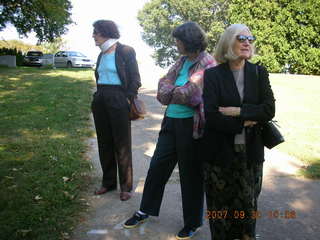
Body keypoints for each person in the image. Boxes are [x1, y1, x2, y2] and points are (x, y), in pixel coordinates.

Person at [123, 21, 216, 239]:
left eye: (178, 40)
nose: (175, 43)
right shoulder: (182, 61)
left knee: (190, 175)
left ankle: (193, 222)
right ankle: (145, 210)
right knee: (157, 167)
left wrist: (171, 90)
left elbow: (191, 94)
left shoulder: (207, 62)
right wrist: (174, 90)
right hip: (170, 122)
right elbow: (161, 88)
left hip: (191, 127)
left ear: (189, 40)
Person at [202, 24, 275, 240]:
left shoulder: (259, 72)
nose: (247, 42)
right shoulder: (213, 75)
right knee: (219, 209)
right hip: (218, 153)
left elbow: (269, 110)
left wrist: (238, 111)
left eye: (250, 38)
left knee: (247, 207)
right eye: (241, 37)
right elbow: (212, 115)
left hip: (250, 151)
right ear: (228, 42)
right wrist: (247, 120)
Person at [91, 20, 141, 201]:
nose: (93, 36)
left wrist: (128, 98)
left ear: (105, 32)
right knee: (104, 142)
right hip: (101, 98)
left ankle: (126, 186)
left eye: (96, 32)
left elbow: (135, 78)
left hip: (119, 98)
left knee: (122, 144)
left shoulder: (125, 51)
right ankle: (108, 182)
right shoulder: (101, 54)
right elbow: (100, 77)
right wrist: (98, 97)